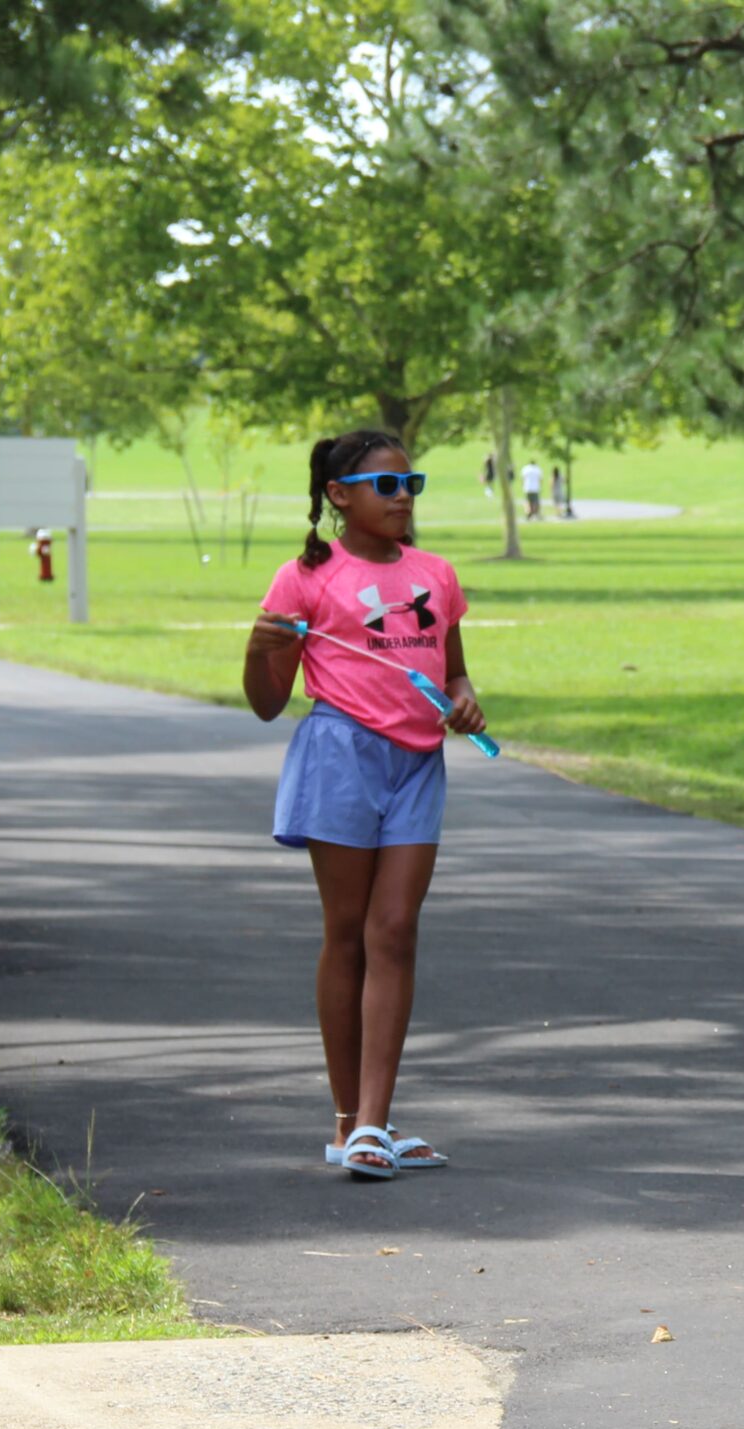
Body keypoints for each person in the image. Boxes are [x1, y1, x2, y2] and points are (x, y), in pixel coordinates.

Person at [242, 431, 488, 1181]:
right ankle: (349, 1121)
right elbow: (267, 702)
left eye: (411, 482)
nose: (403, 495)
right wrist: (256, 649)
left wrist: (464, 700)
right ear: (338, 496)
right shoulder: (305, 578)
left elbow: (453, 673)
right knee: (347, 934)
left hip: (417, 764)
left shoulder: (435, 574)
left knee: (395, 930)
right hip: (340, 758)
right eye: (386, 485)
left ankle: (374, 1121)